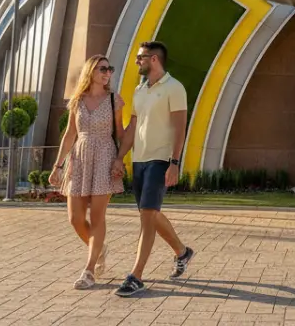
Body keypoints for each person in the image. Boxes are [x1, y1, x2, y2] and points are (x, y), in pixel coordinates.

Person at [113, 41, 195, 296]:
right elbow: (131, 130)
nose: (137, 61)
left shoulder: (174, 88)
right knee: (150, 213)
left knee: (147, 215)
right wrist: (119, 158)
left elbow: (180, 127)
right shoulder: (140, 90)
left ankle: (136, 275)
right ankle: (183, 252)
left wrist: (175, 162)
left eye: (141, 58)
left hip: (161, 160)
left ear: (155, 59)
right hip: (140, 160)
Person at [50, 55, 125, 289]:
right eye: (103, 68)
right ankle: (99, 249)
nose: (107, 72)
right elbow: (70, 134)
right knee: (75, 218)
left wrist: (120, 160)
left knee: (97, 218)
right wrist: (57, 166)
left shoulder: (114, 100)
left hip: (104, 156)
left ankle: (89, 270)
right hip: (80, 158)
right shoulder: (78, 100)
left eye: (109, 69)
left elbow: (120, 134)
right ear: (91, 71)